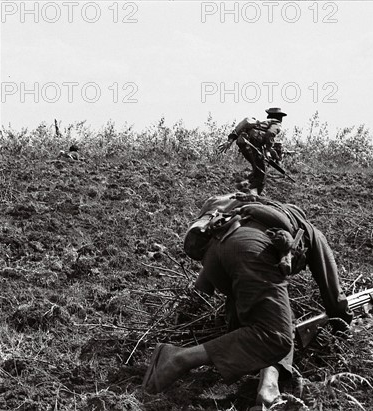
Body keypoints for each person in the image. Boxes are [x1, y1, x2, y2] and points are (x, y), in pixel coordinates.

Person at [142, 192, 353, 408]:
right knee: (276, 336)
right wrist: (345, 327)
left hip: (214, 256)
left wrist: (183, 316)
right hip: (251, 252)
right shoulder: (309, 231)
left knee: (278, 317)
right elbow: (333, 295)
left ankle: (268, 386)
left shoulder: (245, 218)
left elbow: (203, 287)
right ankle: (179, 358)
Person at [218, 108, 287, 195]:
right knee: (261, 175)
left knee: (257, 170)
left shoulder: (259, 123)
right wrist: (269, 149)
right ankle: (251, 196)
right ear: (280, 117)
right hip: (252, 145)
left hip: (243, 143)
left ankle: (245, 186)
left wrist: (230, 140)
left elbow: (239, 129)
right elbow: (270, 134)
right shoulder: (276, 123)